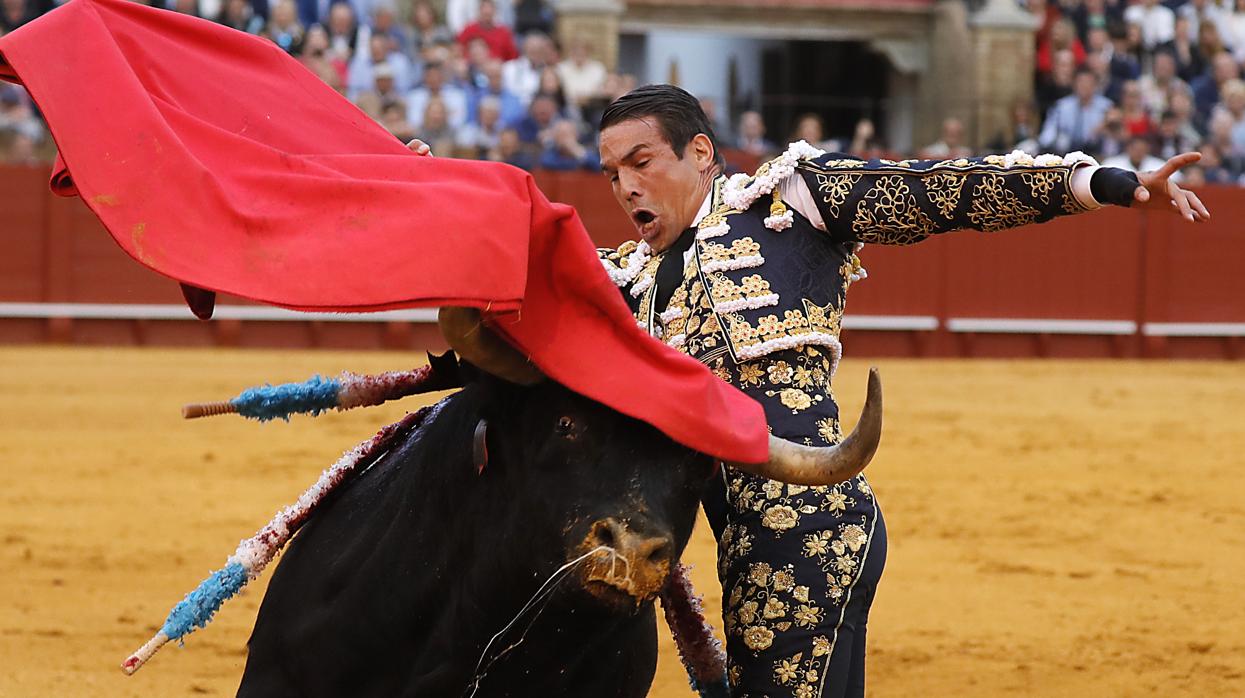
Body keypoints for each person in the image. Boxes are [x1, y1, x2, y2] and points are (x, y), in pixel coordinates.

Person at [586, 84, 1207, 698]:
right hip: (740, 543)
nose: (627, 188)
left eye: (641, 164)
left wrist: (1104, 185)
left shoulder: (785, 199)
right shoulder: (631, 281)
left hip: (810, 528)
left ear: (699, 152)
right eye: (613, 174)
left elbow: (939, 192)